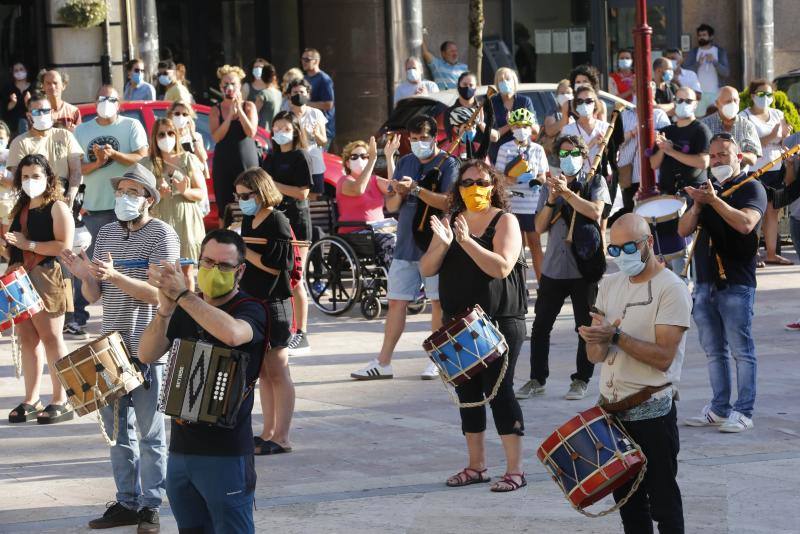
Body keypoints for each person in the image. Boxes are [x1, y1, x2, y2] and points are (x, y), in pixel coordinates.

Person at [61, 164, 179, 532]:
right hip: (110, 347)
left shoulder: (163, 235)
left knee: (151, 433)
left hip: (147, 346)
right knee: (117, 434)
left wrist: (115, 275)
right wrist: (85, 278)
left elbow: (162, 294)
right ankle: (126, 502)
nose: (123, 199)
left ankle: (150, 505)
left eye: (132, 192)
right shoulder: (107, 232)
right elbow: (97, 294)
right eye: (120, 192)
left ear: (148, 198)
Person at [139, 229, 266, 533]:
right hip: (182, 451)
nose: (213, 271)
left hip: (226, 453)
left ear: (240, 271)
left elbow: (234, 334)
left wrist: (184, 296)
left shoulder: (251, 309)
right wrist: (166, 310)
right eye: (207, 262)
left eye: (224, 266)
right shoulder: (186, 308)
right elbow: (147, 352)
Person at [420, 159, 528, 492]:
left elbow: (502, 268)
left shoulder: (505, 220)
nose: (473, 189)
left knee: (499, 391)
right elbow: (426, 269)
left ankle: (515, 470)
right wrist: (443, 242)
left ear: (493, 186)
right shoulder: (453, 221)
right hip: (460, 324)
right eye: (466, 183)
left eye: (481, 182)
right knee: (468, 394)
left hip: (498, 320)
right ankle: (476, 465)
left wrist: (467, 242)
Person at [580, 213, 691, 534]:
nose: (620, 256)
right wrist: (595, 340)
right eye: (613, 250)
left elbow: (664, 357)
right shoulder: (609, 284)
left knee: (664, 505)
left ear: (649, 243)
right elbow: (595, 356)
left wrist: (615, 336)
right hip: (613, 414)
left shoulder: (671, 289)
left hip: (653, 414)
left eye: (629, 248)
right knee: (629, 506)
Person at [350, 115, 458, 380]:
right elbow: (393, 208)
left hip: (433, 244)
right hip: (405, 244)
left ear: (435, 138)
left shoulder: (449, 163)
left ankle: (438, 358)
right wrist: (396, 190)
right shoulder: (406, 162)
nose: (420, 143)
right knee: (396, 301)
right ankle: (383, 362)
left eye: (425, 138)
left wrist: (417, 189)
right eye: (415, 138)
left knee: (437, 302)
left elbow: (448, 203)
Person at [679, 134, 767, 433]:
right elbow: (683, 229)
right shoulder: (708, 190)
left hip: (736, 283)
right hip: (704, 282)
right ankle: (719, 408)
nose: (718, 161)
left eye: (724, 155)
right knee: (713, 350)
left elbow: (745, 223)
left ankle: (744, 411)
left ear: (739, 157)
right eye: (713, 156)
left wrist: (715, 202)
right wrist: (697, 205)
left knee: (741, 350)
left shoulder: (751, 187)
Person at [515, 135, 610, 401]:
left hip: (584, 268)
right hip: (554, 268)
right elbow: (539, 226)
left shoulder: (594, 180)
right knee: (541, 325)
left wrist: (568, 194)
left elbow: (595, 212)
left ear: (583, 154)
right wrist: (552, 198)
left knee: (584, 327)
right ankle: (537, 378)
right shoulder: (550, 186)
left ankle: (581, 379)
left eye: (573, 153)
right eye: (563, 155)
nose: (569, 159)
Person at [70, 85, 149, 338]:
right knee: (85, 266)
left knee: (126, 266)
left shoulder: (130, 126)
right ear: (95, 102)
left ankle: (127, 317)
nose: (106, 102)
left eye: (112, 99)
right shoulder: (82, 130)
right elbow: (77, 167)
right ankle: (78, 317)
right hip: (94, 209)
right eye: (102, 98)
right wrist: (98, 162)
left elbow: (141, 156)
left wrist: (114, 153)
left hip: (127, 209)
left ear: (119, 102)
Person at [3, 154, 74, 424]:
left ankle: (61, 399)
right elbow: (15, 244)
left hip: (48, 275)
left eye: (36, 175)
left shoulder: (57, 207)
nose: (30, 181)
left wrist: (28, 245)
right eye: (25, 176)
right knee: (28, 340)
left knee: (52, 339)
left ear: (48, 177)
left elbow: (63, 246)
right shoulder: (20, 206)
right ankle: (31, 399)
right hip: (20, 279)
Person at [233, 169, 296, 455]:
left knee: (279, 371)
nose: (242, 201)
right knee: (264, 373)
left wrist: (245, 251)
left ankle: (282, 436)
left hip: (275, 302)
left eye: (247, 196)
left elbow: (278, 265)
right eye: (239, 197)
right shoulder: (249, 218)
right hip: (253, 302)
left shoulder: (277, 219)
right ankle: (267, 431)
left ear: (261, 192)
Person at [262, 111, 313, 354]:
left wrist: (274, 186)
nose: (280, 132)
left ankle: (302, 332)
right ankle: (284, 327)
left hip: (297, 223)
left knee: (296, 278)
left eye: (285, 128)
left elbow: (303, 193)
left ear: (294, 130)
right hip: (275, 223)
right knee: (279, 276)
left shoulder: (300, 156)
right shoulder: (270, 157)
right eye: (276, 128)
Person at [145, 117, 206, 290]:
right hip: (161, 219)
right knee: (162, 273)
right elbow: (141, 198)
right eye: (161, 134)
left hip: (185, 221)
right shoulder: (148, 163)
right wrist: (159, 194)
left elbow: (201, 192)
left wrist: (184, 191)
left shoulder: (187, 159)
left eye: (170, 133)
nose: (166, 137)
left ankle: (187, 312)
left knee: (186, 272)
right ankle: (165, 312)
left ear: (177, 135)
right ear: (155, 138)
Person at [740, 79, 792, 265]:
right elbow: (749, 146)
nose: (766, 98)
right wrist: (772, 135)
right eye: (761, 94)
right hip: (754, 170)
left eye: (769, 94)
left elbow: (780, 143)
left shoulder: (778, 114)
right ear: (753, 95)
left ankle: (771, 253)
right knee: (755, 213)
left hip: (776, 168)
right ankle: (752, 254)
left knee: (773, 212)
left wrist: (783, 140)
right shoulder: (744, 117)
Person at [493, 107, 547, 280]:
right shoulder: (504, 148)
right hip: (512, 203)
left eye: (525, 125)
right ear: (511, 127)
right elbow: (499, 176)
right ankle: (520, 285)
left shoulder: (538, 149)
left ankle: (542, 284)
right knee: (517, 246)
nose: (521, 129)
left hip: (532, 204)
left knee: (535, 244)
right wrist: (515, 180)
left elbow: (543, 175)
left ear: (531, 127)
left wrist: (536, 181)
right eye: (517, 126)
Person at [5, 93, 83, 204]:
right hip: (34, 202)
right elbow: (18, 178)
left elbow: (76, 171)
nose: (42, 115)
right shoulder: (19, 142)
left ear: (51, 112)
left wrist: (70, 195)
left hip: (64, 198)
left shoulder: (65, 136)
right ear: (29, 115)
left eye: (45, 111)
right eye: (36, 112)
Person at [209, 65, 259, 220]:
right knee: (224, 206)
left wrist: (240, 111)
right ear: (220, 87)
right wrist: (230, 115)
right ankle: (224, 238)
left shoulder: (249, 106)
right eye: (225, 84)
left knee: (251, 201)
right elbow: (216, 137)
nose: (229, 88)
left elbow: (251, 132)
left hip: (246, 160)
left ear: (240, 86)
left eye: (233, 84)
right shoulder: (216, 109)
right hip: (224, 162)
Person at [336, 138, 396, 265]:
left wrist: (389, 157)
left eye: (364, 156)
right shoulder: (344, 181)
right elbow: (359, 189)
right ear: (347, 163)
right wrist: (372, 160)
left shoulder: (375, 180)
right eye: (354, 156)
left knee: (407, 238)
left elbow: (394, 188)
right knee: (392, 240)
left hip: (379, 230)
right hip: (354, 233)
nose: (360, 159)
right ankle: (396, 280)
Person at [617, 83, 671, 215]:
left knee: (654, 215)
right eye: (636, 92)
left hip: (654, 176)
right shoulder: (625, 115)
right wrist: (632, 133)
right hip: (630, 176)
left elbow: (666, 140)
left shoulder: (659, 115)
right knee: (632, 215)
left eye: (644, 92)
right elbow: (616, 142)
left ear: (652, 95)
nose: (639, 95)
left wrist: (649, 132)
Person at [651, 87, 712, 195]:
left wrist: (672, 152)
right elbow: (653, 164)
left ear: (695, 104)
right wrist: (662, 149)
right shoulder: (665, 131)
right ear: (675, 103)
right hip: (667, 194)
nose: (684, 104)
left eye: (688, 101)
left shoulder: (701, 130)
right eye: (680, 100)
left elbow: (704, 162)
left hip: (694, 194)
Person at [701, 86, 761, 168]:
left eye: (735, 101)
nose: (732, 104)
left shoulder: (747, 126)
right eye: (728, 101)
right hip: (712, 177)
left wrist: (735, 153)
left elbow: (753, 159)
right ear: (717, 103)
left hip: (739, 178)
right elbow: (700, 156)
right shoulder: (705, 125)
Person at [288, 78, 327, 198]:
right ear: (289, 95)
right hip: (294, 162)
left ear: (308, 95)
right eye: (295, 92)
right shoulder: (286, 115)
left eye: (302, 92)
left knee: (314, 196)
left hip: (314, 162)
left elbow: (323, 141)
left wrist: (316, 134)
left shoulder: (316, 113)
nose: (298, 95)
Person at [488, 67, 537, 164]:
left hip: (523, 154)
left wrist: (522, 121)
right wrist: (510, 125)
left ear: (514, 81)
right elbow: (491, 134)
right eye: (501, 80)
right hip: (499, 156)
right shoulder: (492, 103)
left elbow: (535, 130)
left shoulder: (524, 101)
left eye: (507, 79)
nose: (505, 82)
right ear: (497, 84)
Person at [442, 71, 493, 161]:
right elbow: (448, 139)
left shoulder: (484, 109)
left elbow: (494, 137)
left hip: (480, 159)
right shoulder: (449, 112)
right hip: (457, 159)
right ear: (458, 86)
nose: (467, 88)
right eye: (464, 84)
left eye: (471, 85)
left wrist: (481, 125)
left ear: (475, 88)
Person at [682, 24, 730, 116]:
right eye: (699, 35)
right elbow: (685, 72)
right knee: (699, 120)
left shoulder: (719, 51)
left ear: (711, 36)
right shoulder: (694, 52)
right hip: (698, 94)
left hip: (716, 93)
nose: (701, 38)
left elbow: (726, 73)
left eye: (704, 35)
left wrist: (715, 62)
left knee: (717, 119)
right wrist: (697, 64)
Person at [561, 85, 610, 173]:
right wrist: (592, 143)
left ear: (595, 104)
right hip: (580, 179)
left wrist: (606, 147)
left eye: (588, 101)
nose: (584, 104)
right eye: (580, 101)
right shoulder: (567, 130)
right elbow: (569, 159)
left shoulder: (606, 127)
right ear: (575, 105)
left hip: (604, 177)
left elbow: (615, 156)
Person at [167, 100, 210, 181]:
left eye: (185, 114)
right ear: (170, 115)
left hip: (193, 179)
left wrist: (192, 134)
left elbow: (203, 158)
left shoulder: (196, 136)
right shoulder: (166, 136)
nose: (180, 117)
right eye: (177, 114)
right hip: (174, 179)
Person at [301, 48, 336, 148]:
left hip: (323, 129)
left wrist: (304, 103)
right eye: (302, 59)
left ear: (316, 61)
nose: (304, 62)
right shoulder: (304, 78)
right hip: (308, 128)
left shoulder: (324, 79)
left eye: (307, 59)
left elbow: (329, 104)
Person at [542, 80, 575, 176]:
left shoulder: (578, 112)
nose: (565, 95)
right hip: (556, 164)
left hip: (575, 160)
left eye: (568, 93)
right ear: (556, 96)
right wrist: (565, 116)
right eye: (562, 93)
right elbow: (550, 131)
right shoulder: (553, 112)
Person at [244, 61, 282, 130]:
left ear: (262, 77)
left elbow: (254, 114)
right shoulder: (279, 93)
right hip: (275, 130)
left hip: (262, 131)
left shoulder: (263, 94)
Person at [3, 61, 32, 135]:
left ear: (26, 71)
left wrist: (28, 103)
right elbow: (4, 109)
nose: (19, 72)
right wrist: (12, 103)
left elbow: (37, 109)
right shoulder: (8, 88)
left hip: (30, 125)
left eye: (21, 69)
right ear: (12, 73)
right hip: (12, 127)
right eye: (16, 70)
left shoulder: (33, 88)